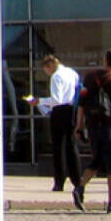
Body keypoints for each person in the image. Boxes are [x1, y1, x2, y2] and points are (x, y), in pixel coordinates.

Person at [74, 47, 111, 212]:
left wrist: (80, 125)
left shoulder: (90, 77)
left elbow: (82, 103)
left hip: (93, 125)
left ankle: (79, 187)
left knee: (98, 158)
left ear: (105, 59)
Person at [28, 54, 81, 193]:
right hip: (72, 110)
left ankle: (59, 181)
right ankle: (77, 180)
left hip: (59, 112)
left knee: (58, 148)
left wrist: (40, 101)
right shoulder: (72, 73)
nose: (47, 72)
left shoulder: (56, 76)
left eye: (46, 69)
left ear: (49, 66)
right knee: (71, 146)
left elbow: (57, 99)